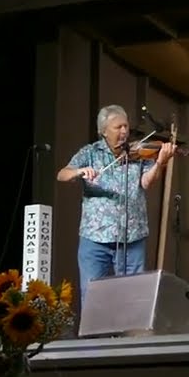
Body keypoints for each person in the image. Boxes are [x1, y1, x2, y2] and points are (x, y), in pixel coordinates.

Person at [57, 104, 173, 306]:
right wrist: (79, 172)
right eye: (118, 127)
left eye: (126, 126)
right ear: (103, 131)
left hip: (132, 237)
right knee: (92, 296)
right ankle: (94, 338)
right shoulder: (90, 152)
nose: (124, 131)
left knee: (132, 297)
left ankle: (126, 337)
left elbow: (146, 182)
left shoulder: (136, 153)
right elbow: (62, 174)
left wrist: (160, 163)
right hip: (95, 237)